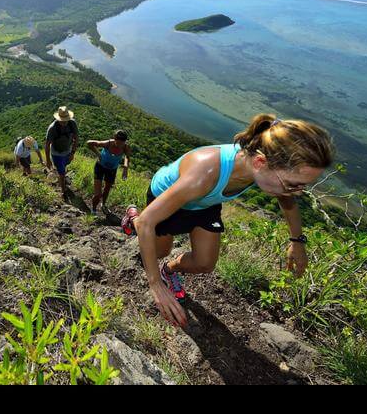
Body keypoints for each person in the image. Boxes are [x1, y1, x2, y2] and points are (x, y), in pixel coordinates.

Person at [121, 114, 334, 329]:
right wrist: (155, 285)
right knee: (158, 251)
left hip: (206, 203)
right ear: (260, 162)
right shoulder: (204, 173)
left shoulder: (267, 167)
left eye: (301, 186)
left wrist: (297, 242)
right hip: (168, 198)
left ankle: (169, 270)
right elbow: (147, 224)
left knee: (204, 263)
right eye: (293, 185)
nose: (296, 192)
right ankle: (133, 217)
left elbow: (288, 202)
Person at [87, 130, 132, 215]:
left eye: (121, 143)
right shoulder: (107, 143)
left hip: (112, 170)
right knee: (98, 194)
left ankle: (103, 205)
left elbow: (127, 156)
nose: (119, 146)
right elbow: (89, 143)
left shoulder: (125, 147)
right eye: (117, 143)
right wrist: (98, 154)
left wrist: (125, 168)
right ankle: (93, 209)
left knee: (107, 189)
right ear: (114, 139)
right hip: (100, 167)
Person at [45, 106, 79, 198]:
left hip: (67, 150)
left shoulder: (72, 124)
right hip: (56, 153)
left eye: (66, 120)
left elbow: (76, 138)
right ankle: (63, 191)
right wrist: (48, 160)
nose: (64, 122)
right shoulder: (52, 128)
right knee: (61, 172)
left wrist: (72, 153)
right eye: (62, 120)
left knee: (64, 166)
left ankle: (62, 178)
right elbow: (47, 144)